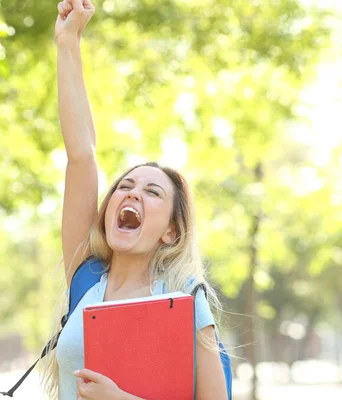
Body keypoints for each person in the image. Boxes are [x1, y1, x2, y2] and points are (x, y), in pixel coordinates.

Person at [40, 0, 230, 398]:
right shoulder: (85, 278)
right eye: (125, 186)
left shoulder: (185, 301)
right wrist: (68, 41)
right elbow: (81, 154)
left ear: (171, 233)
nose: (132, 193)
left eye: (152, 191)